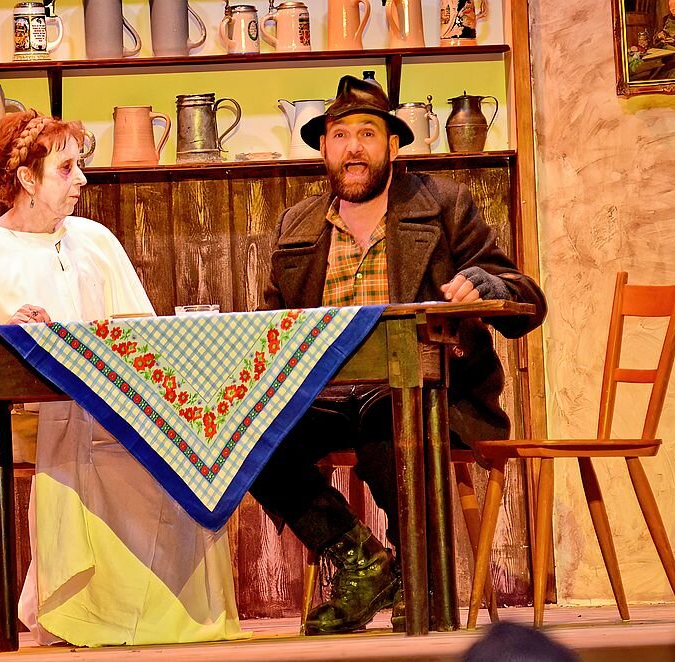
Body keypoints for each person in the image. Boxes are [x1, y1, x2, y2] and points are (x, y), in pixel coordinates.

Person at [0, 110, 244, 647]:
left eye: (80, 165)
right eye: (66, 168)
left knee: (184, 437)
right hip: (17, 420)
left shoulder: (94, 240)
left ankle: (172, 611)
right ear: (27, 179)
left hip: (107, 406)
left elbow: (140, 336)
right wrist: (7, 332)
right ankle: (87, 613)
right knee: (73, 420)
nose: (82, 179)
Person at [249, 76, 547, 635]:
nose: (353, 148)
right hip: (325, 396)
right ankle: (361, 561)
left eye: (367, 134)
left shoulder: (443, 205)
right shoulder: (298, 223)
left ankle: (421, 577)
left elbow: (525, 297)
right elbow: (273, 324)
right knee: (246, 439)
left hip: (431, 392)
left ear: (392, 145)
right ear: (324, 148)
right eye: (340, 136)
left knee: (390, 419)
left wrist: (486, 284)